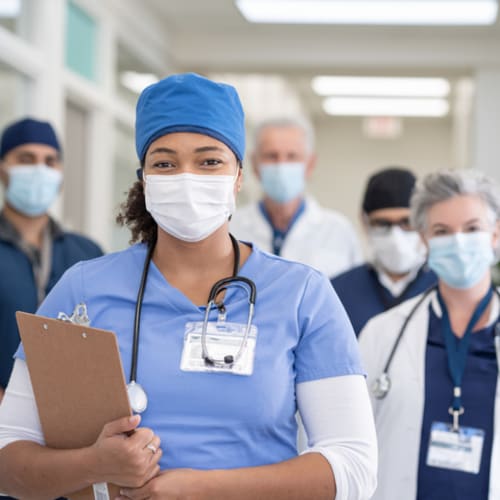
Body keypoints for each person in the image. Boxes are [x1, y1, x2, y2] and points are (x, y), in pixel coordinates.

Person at [0, 73, 377, 499]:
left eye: (209, 161)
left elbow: (353, 468)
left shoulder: (302, 295)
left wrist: (198, 489)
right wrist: (95, 464)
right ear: (144, 179)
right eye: (164, 163)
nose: (186, 177)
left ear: (238, 175)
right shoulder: (84, 289)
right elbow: (8, 460)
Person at [358, 169, 500, 500]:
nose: (459, 242)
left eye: (472, 228)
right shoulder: (384, 333)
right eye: (442, 231)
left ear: (495, 234)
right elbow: (351, 440)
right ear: (424, 239)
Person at [0, 117, 103, 402]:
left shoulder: (86, 253)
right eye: (26, 158)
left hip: (67, 410)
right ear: (3, 169)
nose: (39, 170)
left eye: (50, 161)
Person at [230, 117, 362, 278]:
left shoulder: (339, 231)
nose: (281, 165)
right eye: (271, 156)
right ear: (254, 164)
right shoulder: (230, 229)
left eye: (292, 156)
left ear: (310, 164)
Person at [332, 167, 437, 335]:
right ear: (364, 222)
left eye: (406, 222)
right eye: (382, 224)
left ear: (422, 221)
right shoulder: (338, 291)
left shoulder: (445, 287)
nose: (395, 236)